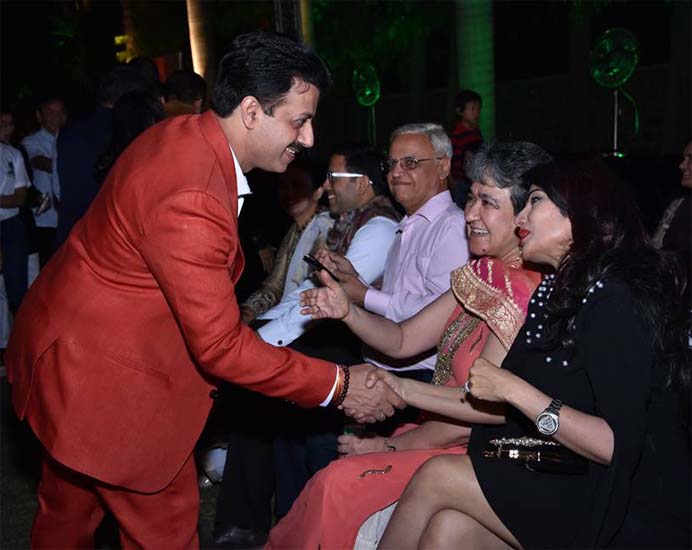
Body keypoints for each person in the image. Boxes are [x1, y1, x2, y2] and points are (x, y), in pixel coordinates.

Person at [5, 31, 401, 548]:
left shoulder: (184, 135)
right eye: (299, 121)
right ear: (252, 111)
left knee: (65, 516)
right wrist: (341, 385)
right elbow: (220, 346)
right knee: (160, 531)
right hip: (107, 383)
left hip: (72, 354)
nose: (309, 139)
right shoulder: (191, 192)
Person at [370, 159, 690, 549]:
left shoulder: (614, 297)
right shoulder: (555, 291)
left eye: (535, 201)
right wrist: (401, 387)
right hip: (563, 469)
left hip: (622, 502)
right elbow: (496, 404)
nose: (520, 218)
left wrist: (514, 390)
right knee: (448, 530)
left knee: (438, 475)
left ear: (579, 212)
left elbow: (616, 446)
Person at [267, 141, 550, 550]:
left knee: (338, 484)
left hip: (475, 451)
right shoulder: (484, 273)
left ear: (524, 215)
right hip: (434, 431)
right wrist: (347, 311)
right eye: (471, 198)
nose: (470, 214)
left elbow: (484, 407)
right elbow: (403, 339)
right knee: (331, 476)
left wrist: (391, 433)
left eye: (487, 203)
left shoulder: (523, 291)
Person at [54, 66, 148, 248]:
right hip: (112, 240)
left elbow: (57, 189)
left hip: (72, 237)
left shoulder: (68, 132)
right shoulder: (130, 131)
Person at [240, 161, 333, 323]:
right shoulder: (294, 230)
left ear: (317, 192)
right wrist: (248, 311)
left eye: (297, 186)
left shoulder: (325, 228)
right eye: (284, 186)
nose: (289, 193)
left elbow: (314, 288)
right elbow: (275, 285)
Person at [21, 95, 67, 267]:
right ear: (39, 116)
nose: (57, 117)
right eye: (50, 112)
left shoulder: (71, 138)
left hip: (67, 217)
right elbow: (37, 161)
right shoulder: (31, 141)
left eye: (61, 112)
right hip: (44, 219)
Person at [449, 89, 483, 207]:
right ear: (459, 111)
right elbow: (447, 159)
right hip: (459, 183)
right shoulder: (456, 134)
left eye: (478, 109)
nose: (476, 113)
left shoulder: (476, 131)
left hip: (473, 180)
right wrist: (452, 182)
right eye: (472, 109)